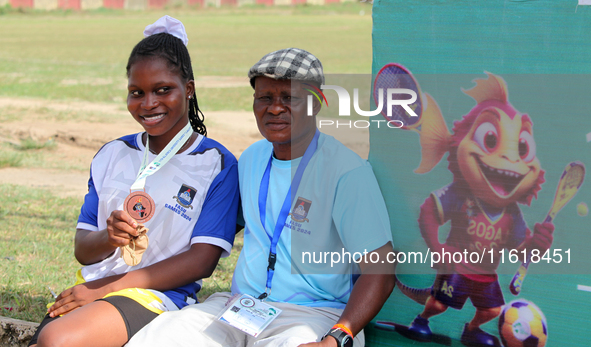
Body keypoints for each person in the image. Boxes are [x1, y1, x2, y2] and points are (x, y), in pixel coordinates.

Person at [128, 48, 396, 347]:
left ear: (317, 104)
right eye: (265, 98)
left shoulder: (346, 171)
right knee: (160, 336)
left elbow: (381, 271)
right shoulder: (252, 159)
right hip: (240, 307)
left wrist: (337, 337)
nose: (275, 109)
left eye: (290, 99)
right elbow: (216, 230)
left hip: (312, 316)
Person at [29, 16, 239, 347]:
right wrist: (108, 237)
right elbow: (83, 250)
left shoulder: (217, 164)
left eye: (163, 90)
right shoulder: (112, 154)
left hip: (157, 296)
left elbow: (202, 260)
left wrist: (107, 288)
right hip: (92, 288)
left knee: (58, 340)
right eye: (136, 92)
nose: (148, 103)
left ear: (189, 89)